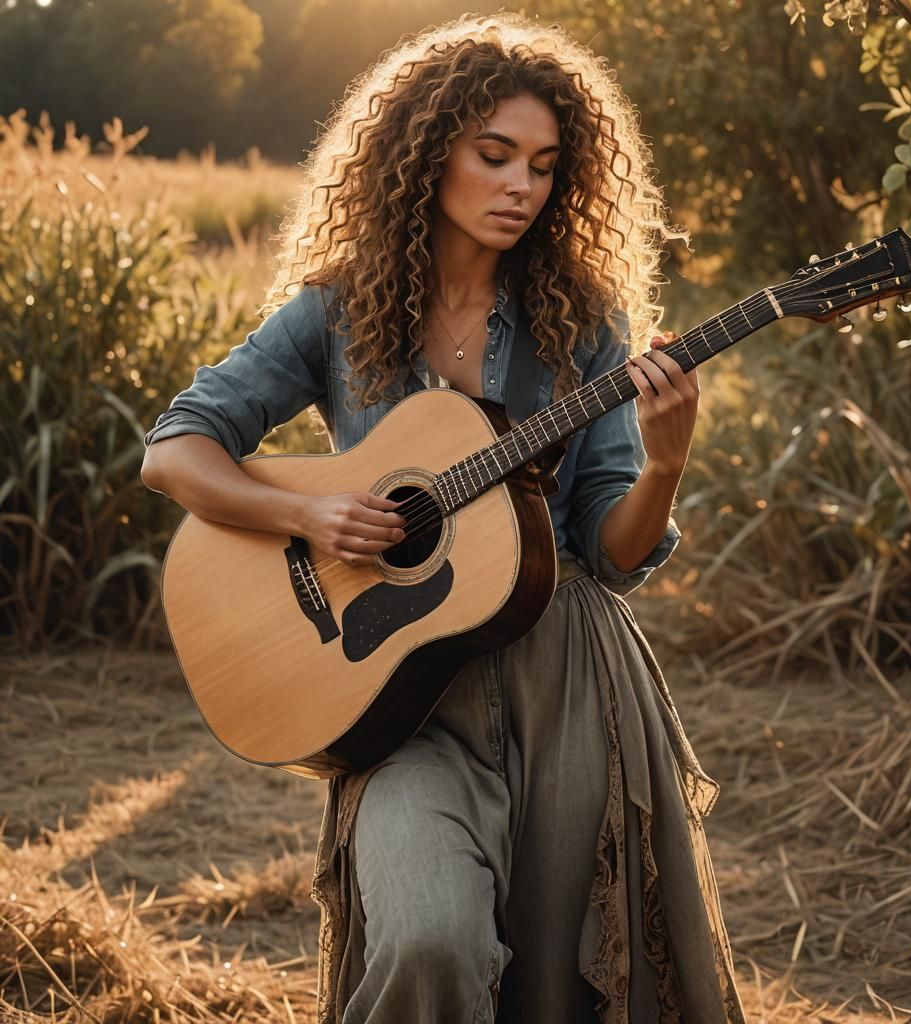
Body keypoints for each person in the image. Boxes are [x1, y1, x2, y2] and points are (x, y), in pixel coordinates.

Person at [141, 13, 745, 1024]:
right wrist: (309, 510)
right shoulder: (338, 311)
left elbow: (612, 549)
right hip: (398, 695)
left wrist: (667, 462)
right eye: (495, 154)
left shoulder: (584, 322)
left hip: (564, 685)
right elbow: (176, 450)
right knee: (430, 939)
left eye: (546, 166)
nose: (522, 186)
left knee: (563, 984)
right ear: (424, 153)